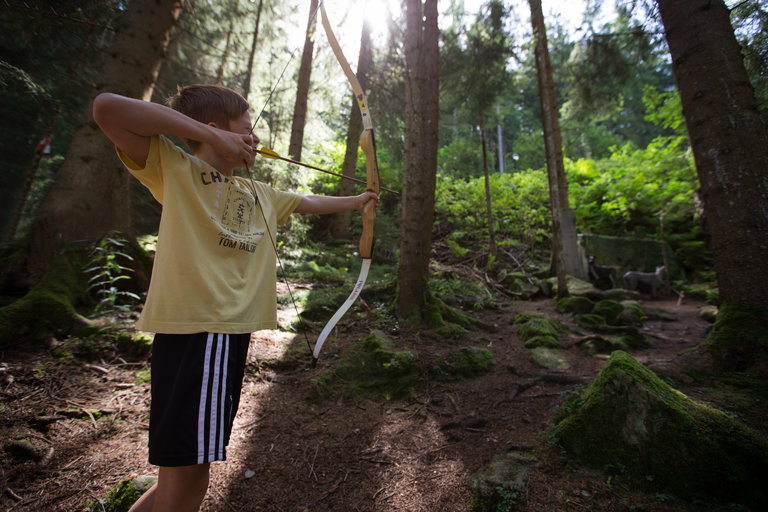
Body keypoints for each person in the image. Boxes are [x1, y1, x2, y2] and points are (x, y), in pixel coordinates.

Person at [92, 84, 379, 512]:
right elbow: (107, 108)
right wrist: (209, 138)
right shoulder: (175, 167)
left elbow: (309, 202)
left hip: (221, 338)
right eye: (246, 130)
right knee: (187, 485)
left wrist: (361, 201)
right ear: (213, 130)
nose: (255, 140)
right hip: (202, 332)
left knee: (178, 480)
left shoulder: (257, 193)